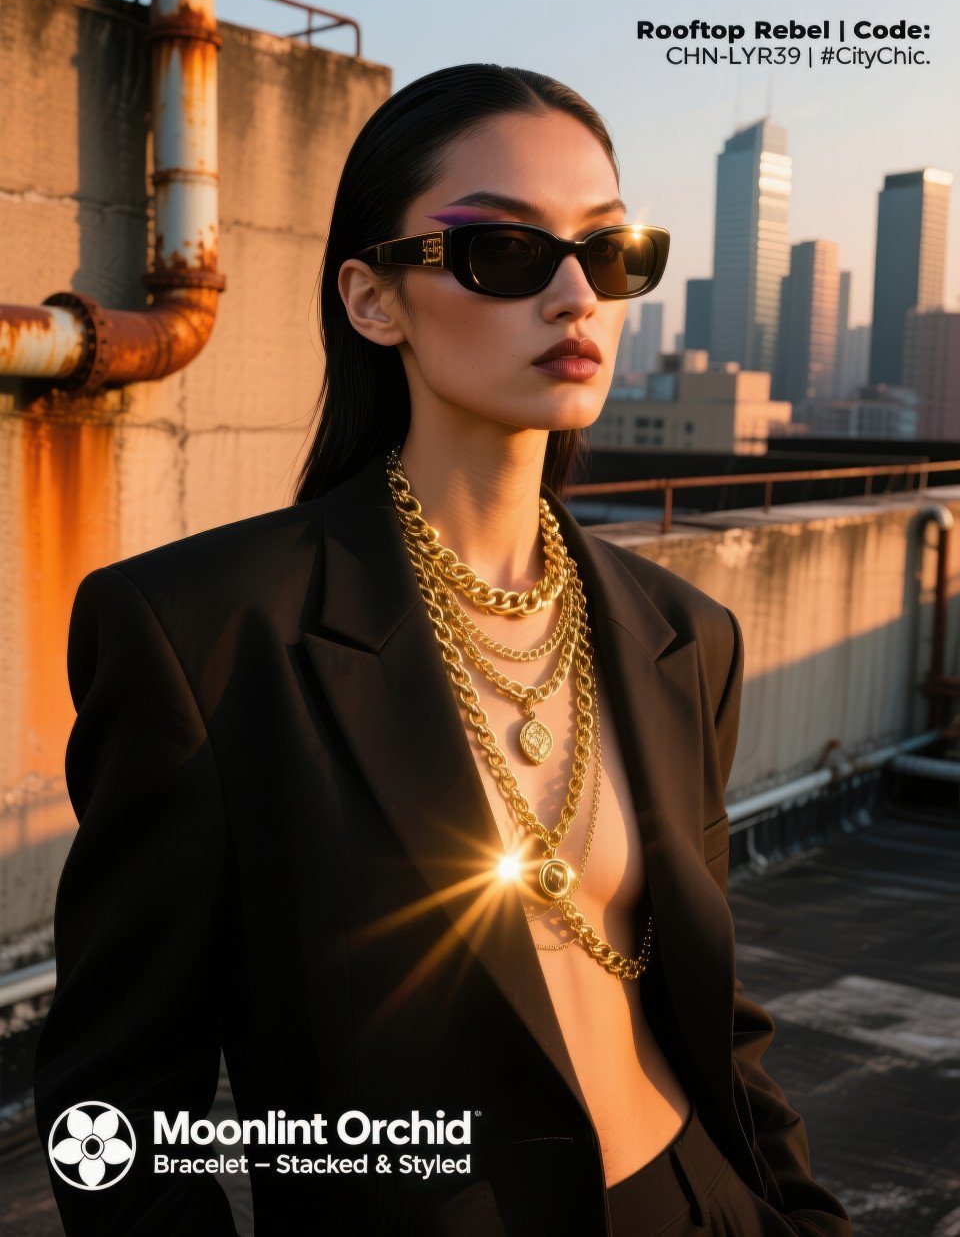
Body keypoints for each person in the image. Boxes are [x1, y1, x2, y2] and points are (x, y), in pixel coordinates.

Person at [32, 64, 854, 1236]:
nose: (577, 294)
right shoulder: (204, 636)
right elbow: (112, 1112)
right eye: (506, 253)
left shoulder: (684, 634)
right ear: (374, 300)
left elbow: (713, 1012)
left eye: (610, 253)